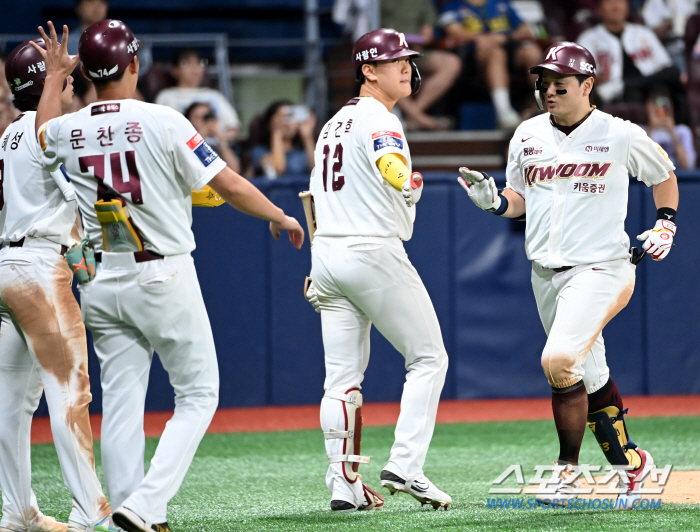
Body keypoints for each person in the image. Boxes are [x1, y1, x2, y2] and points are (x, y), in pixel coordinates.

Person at [32, 20, 304, 532]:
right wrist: (278, 214)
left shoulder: (69, 128)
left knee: (121, 404)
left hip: (102, 280)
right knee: (199, 395)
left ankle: (124, 516)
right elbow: (227, 183)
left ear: (87, 71)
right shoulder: (163, 120)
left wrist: (53, 77)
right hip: (162, 272)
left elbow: (41, 136)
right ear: (135, 64)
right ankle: (145, 505)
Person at [457, 42, 678, 507]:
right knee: (588, 375)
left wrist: (665, 222)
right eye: (543, 84)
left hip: (604, 267)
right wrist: (495, 202)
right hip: (546, 273)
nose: (549, 91)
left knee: (558, 360)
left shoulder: (619, 134)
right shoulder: (527, 135)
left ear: (587, 85)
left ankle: (566, 471)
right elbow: (518, 198)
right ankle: (632, 465)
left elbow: (664, 174)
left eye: (560, 84)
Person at [304, 28, 451, 512]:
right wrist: (404, 179)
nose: (407, 67)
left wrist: (317, 263)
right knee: (429, 358)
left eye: (409, 60)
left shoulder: (332, 124)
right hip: (370, 251)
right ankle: (406, 464)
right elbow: (390, 161)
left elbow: (315, 198)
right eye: (395, 61)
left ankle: (342, 484)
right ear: (369, 70)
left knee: (340, 379)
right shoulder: (378, 118)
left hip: (327, 254)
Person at [0, 39, 117, 532]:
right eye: (65, 79)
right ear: (49, 84)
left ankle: (17, 511)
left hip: (8, 261)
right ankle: (92, 510)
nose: (72, 83)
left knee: (11, 403)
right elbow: (47, 133)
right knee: (70, 392)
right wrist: (55, 78)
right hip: (37, 272)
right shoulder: (42, 129)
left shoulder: (7, 135)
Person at [439, 0, 542, 129]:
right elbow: (453, 31)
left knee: (531, 52)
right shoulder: (453, 5)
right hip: (474, 54)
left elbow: (527, 30)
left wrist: (505, 37)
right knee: (496, 53)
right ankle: (504, 112)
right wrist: (480, 39)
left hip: (508, 45)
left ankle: (543, 103)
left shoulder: (501, 3)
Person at [577, 0, 682, 105]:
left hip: (651, 86)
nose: (616, 6)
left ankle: (627, 85)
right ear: (599, 9)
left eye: (621, 1)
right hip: (617, 95)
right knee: (633, 93)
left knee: (672, 75)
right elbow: (578, 79)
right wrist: (594, 78)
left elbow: (666, 65)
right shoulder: (588, 39)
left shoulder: (643, 32)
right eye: (609, 2)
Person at [380, 0, 462, 130]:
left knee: (451, 63)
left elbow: (427, 35)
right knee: (383, 68)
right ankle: (425, 121)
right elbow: (368, 32)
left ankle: (412, 117)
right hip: (384, 54)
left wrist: (409, 40)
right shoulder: (376, 3)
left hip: (414, 52)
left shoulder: (423, 3)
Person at [155, 48, 241, 142]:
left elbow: (234, 128)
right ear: (175, 70)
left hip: (218, 149)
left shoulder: (215, 95)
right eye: (186, 63)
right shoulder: (166, 96)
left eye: (199, 63)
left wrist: (221, 138)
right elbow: (160, 131)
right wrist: (199, 137)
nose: (194, 68)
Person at [252, 100, 316, 178]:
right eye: (281, 119)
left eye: (291, 117)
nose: (287, 124)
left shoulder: (302, 150)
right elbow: (278, 169)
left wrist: (307, 137)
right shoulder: (260, 150)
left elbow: (318, 171)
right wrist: (276, 133)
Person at [644, 87, 696, 169]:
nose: (660, 110)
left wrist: (672, 132)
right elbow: (642, 164)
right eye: (655, 106)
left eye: (665, 105)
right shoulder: (640, 131)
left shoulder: (682, 131)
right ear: (648, 108)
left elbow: (687, 166)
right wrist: (651, 129)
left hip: (679, 177)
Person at [183, 102, 241, 173]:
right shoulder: (184, 141)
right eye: (198, 117)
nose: (204, 121)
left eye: (207, 116)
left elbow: (235, 170)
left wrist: (220, 138)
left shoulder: (217, 142)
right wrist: (200, 136)